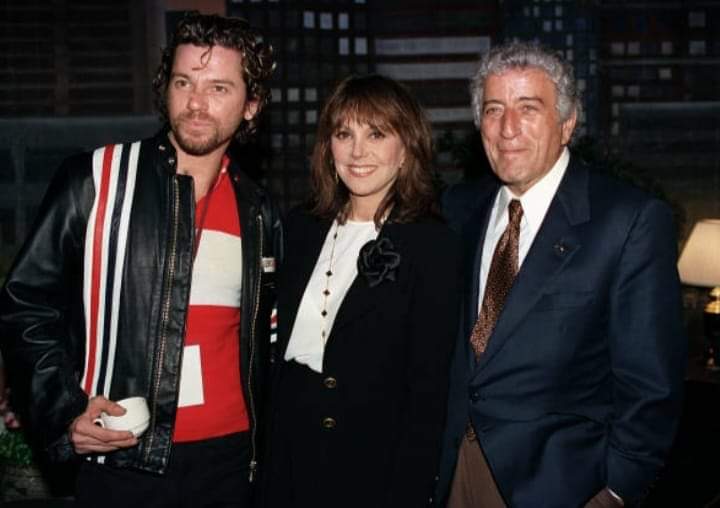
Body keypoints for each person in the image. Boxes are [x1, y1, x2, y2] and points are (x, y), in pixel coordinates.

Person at [0, 12, 281, 508]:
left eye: (219, 88)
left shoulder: (258, 211)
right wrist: (63, 411)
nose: (197, 102)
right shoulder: (95, 178)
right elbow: (25, 303)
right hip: (125, 460)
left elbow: (267, 339)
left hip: (232, 466)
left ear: (251, 105)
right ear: (165, 89)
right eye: (183, 82)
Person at [434, 41, 686, 508]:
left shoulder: (628, 220)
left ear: (567, 123)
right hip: (451, 474)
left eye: (528, 108)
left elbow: (652, 384)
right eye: (494, 109)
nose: (508, 128)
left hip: (562, 487)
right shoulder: (457, 208)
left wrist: (615, 492)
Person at [263, 74, 460, 508]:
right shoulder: (298, 229)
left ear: (406, 148)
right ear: (327, 148)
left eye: (376, 134)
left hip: (373, 468)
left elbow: (428, 393)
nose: (357, 151)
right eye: (343, 133)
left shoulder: (433, 246)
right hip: (287, 459)